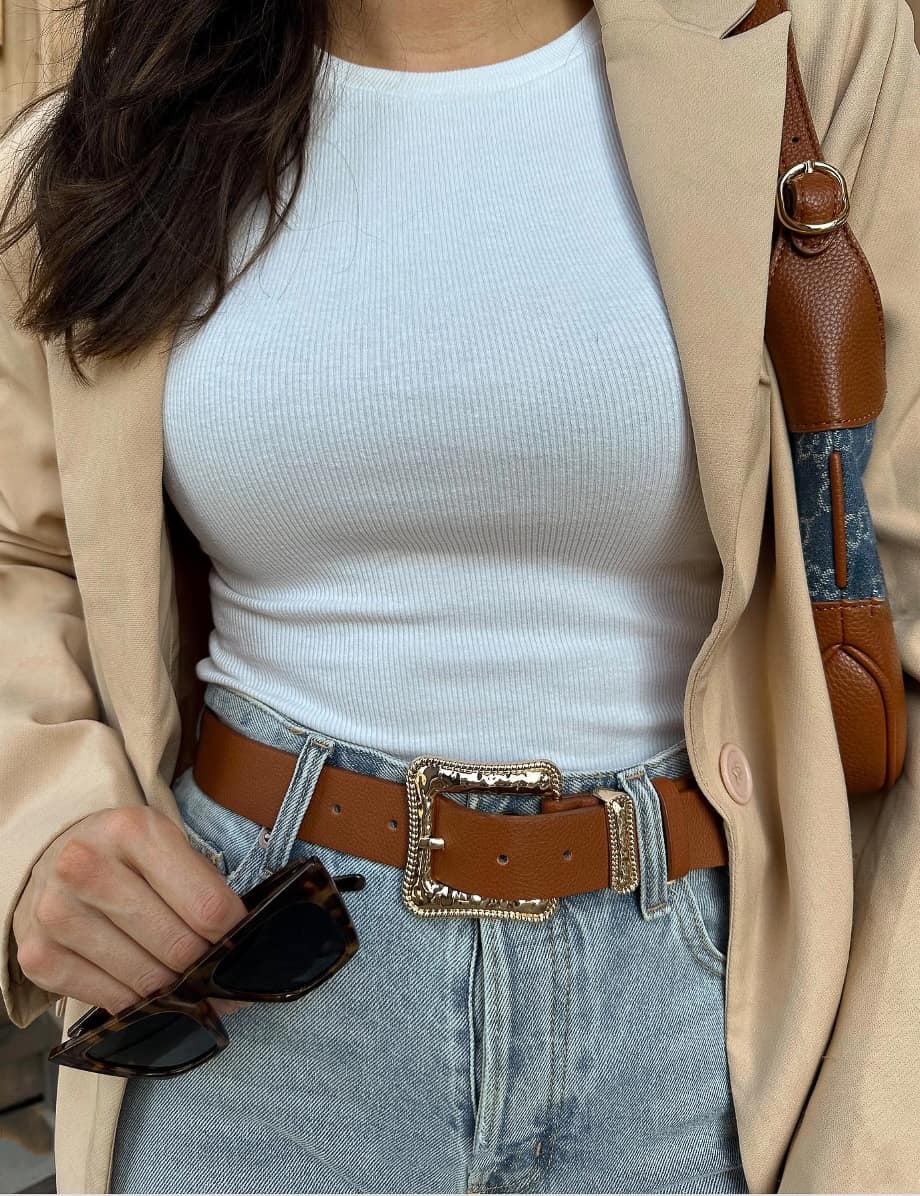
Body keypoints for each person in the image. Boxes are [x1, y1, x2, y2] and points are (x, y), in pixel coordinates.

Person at [0, 0, 917, 1192]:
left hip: (708, 1017)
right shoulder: (108, 120)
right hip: (256, 982)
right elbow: (22, 552)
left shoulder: (811, 49)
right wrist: (38, 816)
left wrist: (884, 1105)